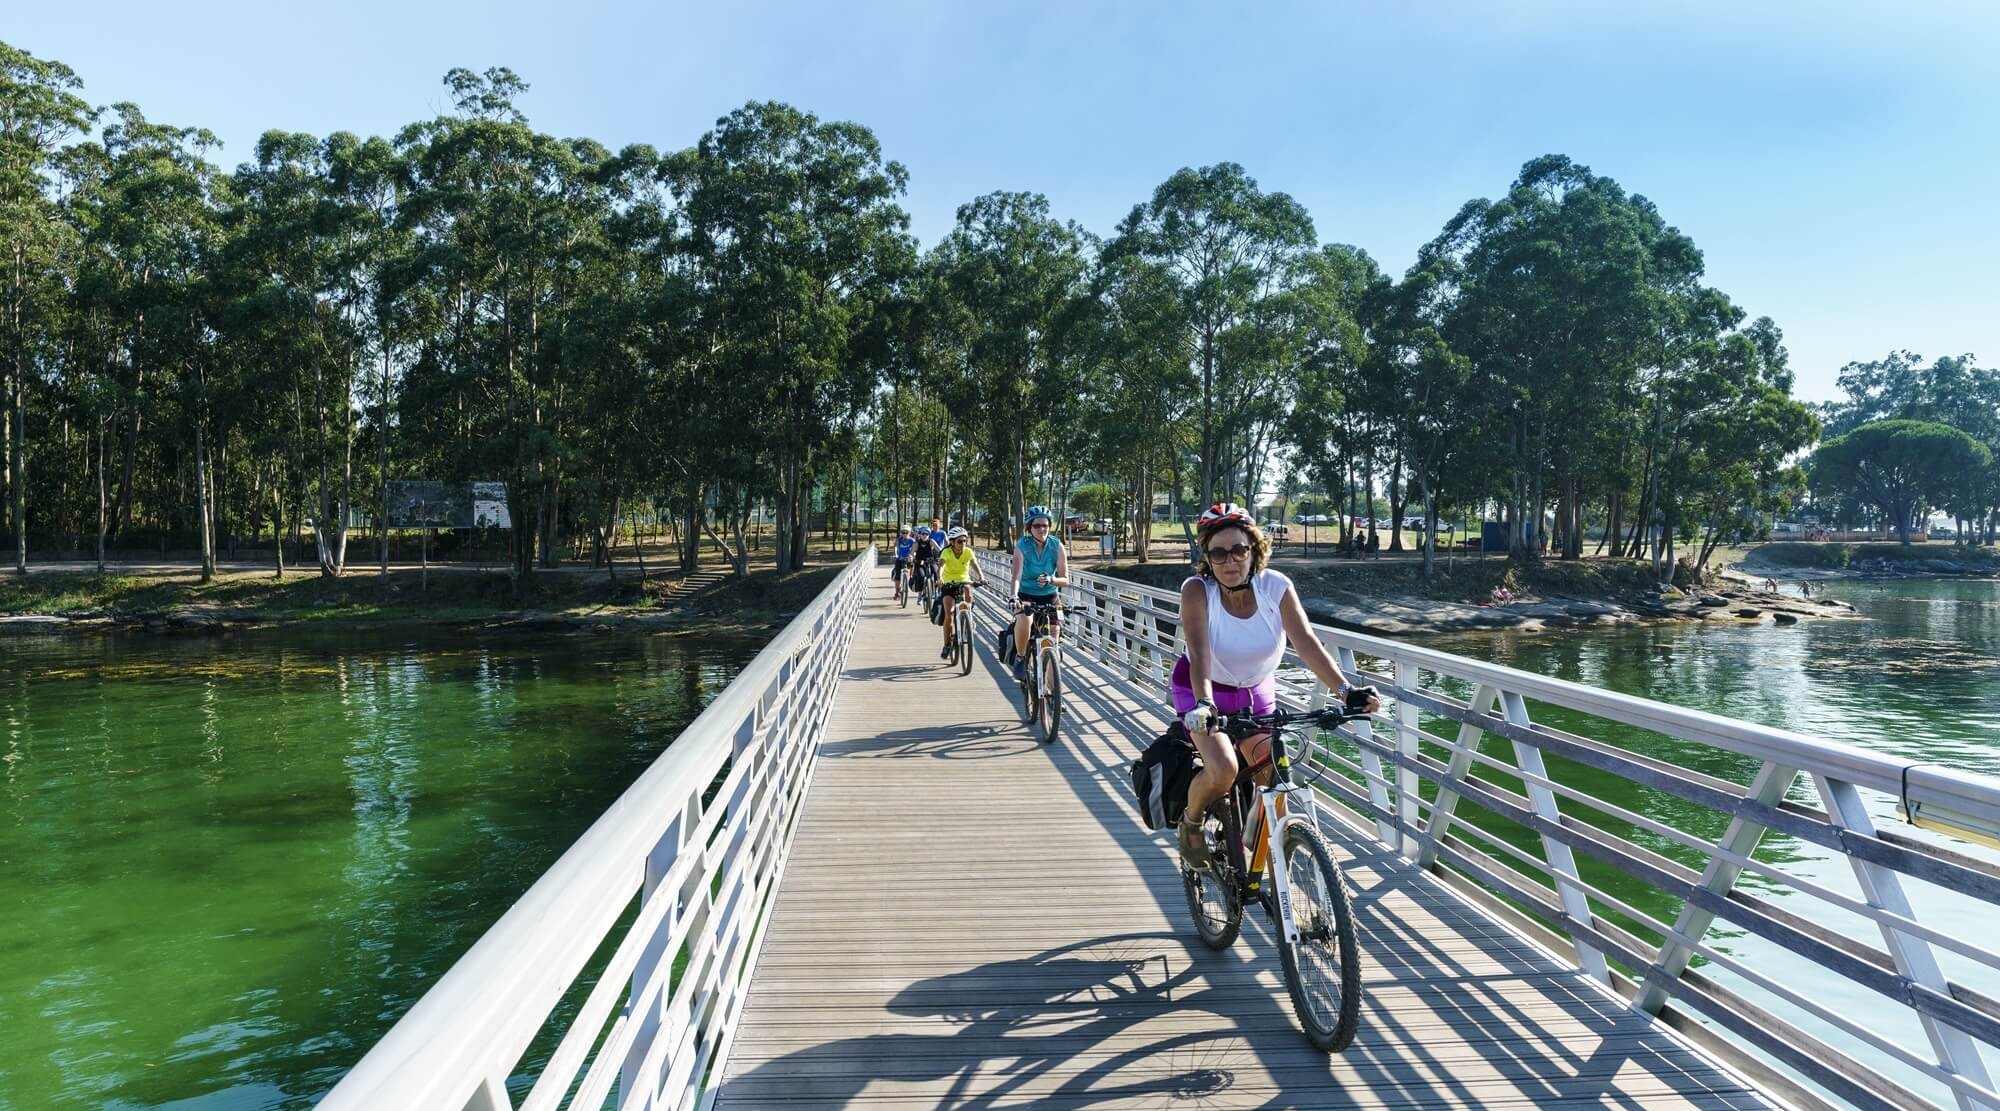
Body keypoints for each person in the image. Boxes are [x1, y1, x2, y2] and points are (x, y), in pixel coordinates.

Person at [1174, 503, 1382, 869]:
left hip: (1255, 692)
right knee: (1223, 768)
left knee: (1275, 773)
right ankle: (1190, 824)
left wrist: (1346, 692)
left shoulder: (1275, 587)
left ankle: (1256, 852)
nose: (1230, 561)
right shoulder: (1197, 590)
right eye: (1218, 553)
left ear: (1254, 550)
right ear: (1207, 558)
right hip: (1202, 690)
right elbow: (1199, 651)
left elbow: (1306, 643)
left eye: (1239, 550)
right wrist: (1204, 704)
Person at [1010, 505, 1069, 680]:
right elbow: (1016, 576)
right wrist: (1014, 596)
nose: (1042, 529)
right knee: (1024, 619)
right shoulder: (1022, 545)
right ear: (1030, 527)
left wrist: (1051, 580)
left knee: (1054, 645)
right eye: (1037, 526)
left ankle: (1053, 695)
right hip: (1026, 594)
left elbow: (1065, 579)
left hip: (1051, 596)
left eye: (1045, 525)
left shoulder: (1056, 546)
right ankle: (1020, 657)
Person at [936, 526, 987, 659]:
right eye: (960, 541)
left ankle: (968, 617)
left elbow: (974, 564)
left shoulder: (968, 552)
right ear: (952, 542)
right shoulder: (946, 552)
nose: (963, 543)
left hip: (964, 580)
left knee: (968, 592)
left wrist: (981, 577)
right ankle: (947, 644)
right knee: (949, 613)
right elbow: (941, 566)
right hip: (948, 583)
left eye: (965, 540)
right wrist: (940, 578)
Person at [892, 525, 916, 597]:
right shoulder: (899, 539)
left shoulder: (912, 540)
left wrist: (913, 555)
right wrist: (895, 554)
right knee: (897, 576)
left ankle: (911, 577)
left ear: (909, 533)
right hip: (900, 558)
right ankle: (897, 592)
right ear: (901, 533)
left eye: (907, 532)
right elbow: (895, 547)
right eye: (903, 532)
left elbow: (915, 549)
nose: (905, 534)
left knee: (912, 565)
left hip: (908, 558)